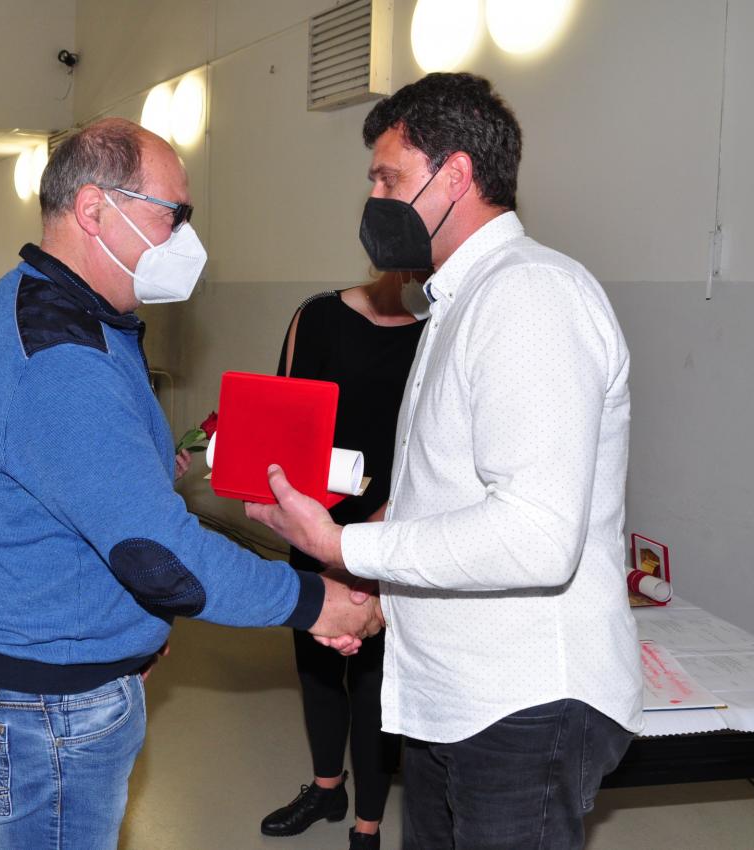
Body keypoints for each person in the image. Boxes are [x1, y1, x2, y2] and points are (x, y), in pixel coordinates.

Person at [0, 117, 382, 850]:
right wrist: (316, 602)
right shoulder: (61, 357)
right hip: (44, 703)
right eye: (174, 215)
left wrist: (129, 621)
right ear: (94, 210)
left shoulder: (60, 307)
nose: (186, 238)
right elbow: (158, 556)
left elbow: (66, 490)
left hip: (42, 672)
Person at [245, 72, 643, 850]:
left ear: (454, 175)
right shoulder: (458, 303)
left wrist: (345, 545)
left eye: (388, 179)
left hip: (522, 705)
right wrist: (370, 591)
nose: (374, 200)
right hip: (455, 695)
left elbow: (535, 535)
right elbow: (439, 495)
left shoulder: (528, 296)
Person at [260, 273, 425, 850]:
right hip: (316, 521)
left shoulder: (444, 327)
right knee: (317, 663)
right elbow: (284, 423)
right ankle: (327, 788)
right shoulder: (317, 317)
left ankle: (368, 827)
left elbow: (438, 451)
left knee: (376, 679)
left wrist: (368, 543)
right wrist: (315, 534)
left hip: (398, 529)